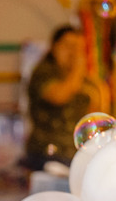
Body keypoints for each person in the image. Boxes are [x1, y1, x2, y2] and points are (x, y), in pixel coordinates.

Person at [24, 25, 106, 169]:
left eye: (79, 48)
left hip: (77, 154)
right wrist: (78, 69)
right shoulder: (44, 72)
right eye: (69, 46)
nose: (74, 53)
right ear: (54, 47)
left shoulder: (87, 81)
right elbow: (58, 96)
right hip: (46, 154)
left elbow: (95, 116)